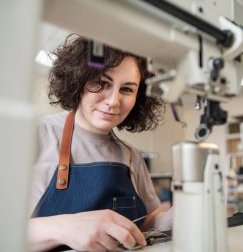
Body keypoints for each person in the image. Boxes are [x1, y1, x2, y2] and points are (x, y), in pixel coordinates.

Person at [27, 35, 173, 252]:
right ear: (79, 81)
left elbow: (148, 220)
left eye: (127, 89)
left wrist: (176, 217)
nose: (114, 101)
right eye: (102, 83)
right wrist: (63, 228)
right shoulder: (34, 136)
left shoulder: (130, 155)